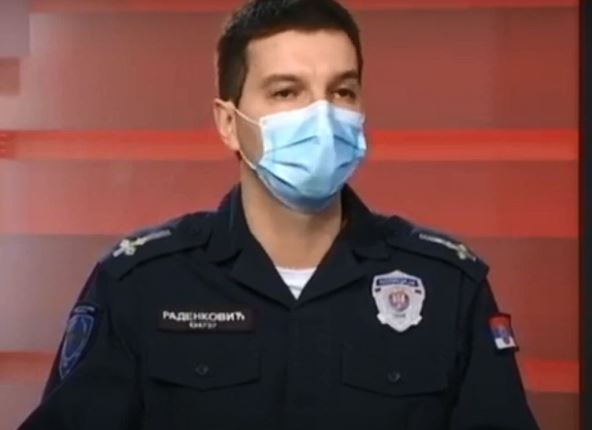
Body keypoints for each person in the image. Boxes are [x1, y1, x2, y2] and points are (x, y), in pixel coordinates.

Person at [19, 0, 540, 428]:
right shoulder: (140, 283)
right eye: (287, 92)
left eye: (342, 91)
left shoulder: (448, 285)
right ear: (228, 123)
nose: (322, 115)